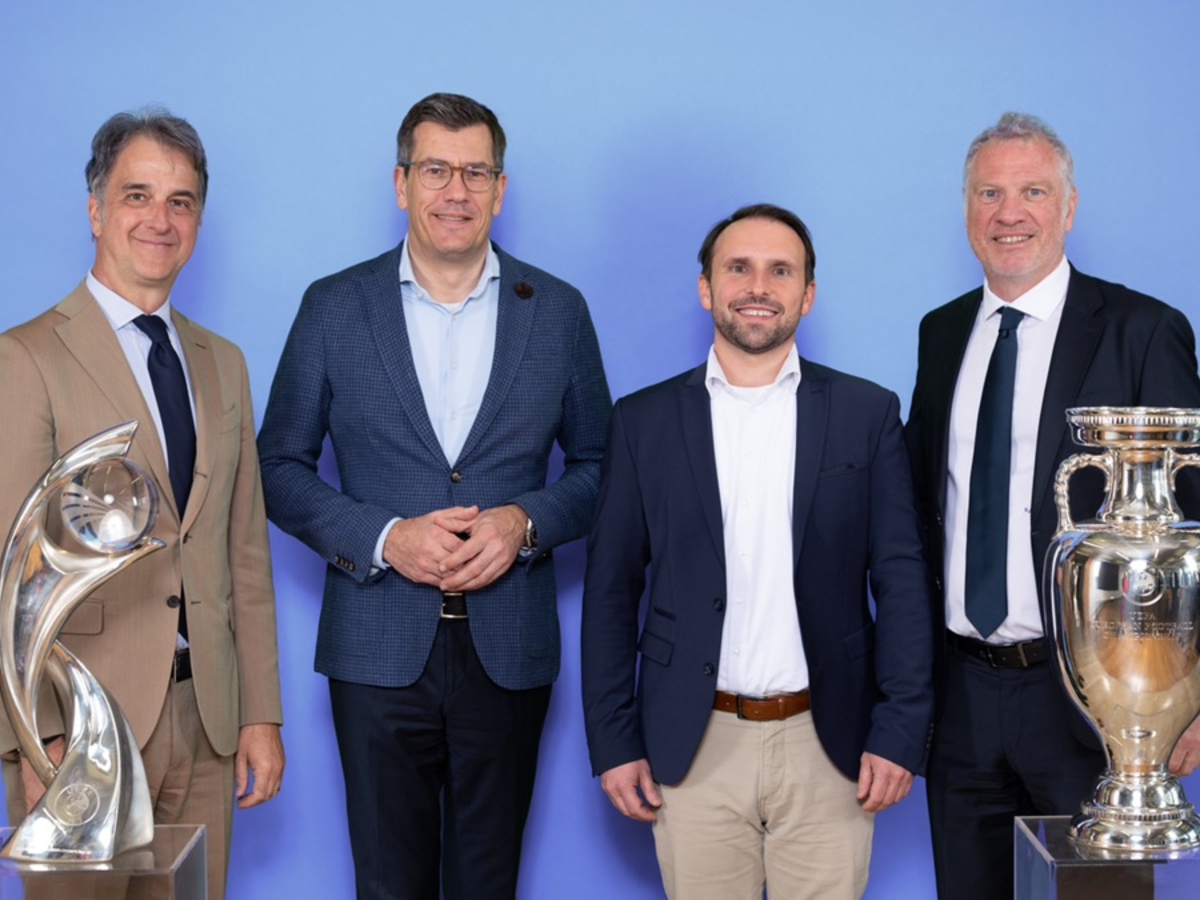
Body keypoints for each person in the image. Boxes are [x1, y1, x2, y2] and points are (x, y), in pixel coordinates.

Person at [256, 92, 611, 900]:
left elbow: (602, 466)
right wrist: (385, 537)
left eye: (475, 173)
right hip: (375, 649)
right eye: (436, 170)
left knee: (489, 884)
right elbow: (278, 465)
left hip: (508, 648)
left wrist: (525, 522)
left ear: (500, 188)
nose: (457, 191)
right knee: (388, 884)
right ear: (401, 183)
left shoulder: (557, 312)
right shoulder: (333, 307)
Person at [581, 203, 934, 899]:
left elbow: (901, 581)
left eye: (780, 271)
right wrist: (614, 742)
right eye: (738, 268)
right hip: (692, 742)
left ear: (807, 293)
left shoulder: (866, 415)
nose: (758, 287)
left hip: (830, 742)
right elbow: (611, 591)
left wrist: (899, 729)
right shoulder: (643, 422)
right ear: (706, 287)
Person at [905, 111, 1200, 900]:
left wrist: (1194, 702)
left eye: (1033, 191)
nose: (1010, 213)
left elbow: (1196, 524)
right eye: (989, 193)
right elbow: (921, 501)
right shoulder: (941, 334)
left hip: (1095, 701)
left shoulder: (1143, 331)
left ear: (1068, 208)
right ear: (966, 209)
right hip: (960, 698)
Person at [0, 108, 285, 900]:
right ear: (95, 211)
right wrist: (33, 738)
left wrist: (259, 714)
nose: (160, 219)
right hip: (83, 727)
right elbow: (7, 571)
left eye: (180, 201)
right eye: (137, 195)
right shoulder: (26, 356)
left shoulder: (223, 363)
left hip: (207, 722)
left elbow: (242, 552)